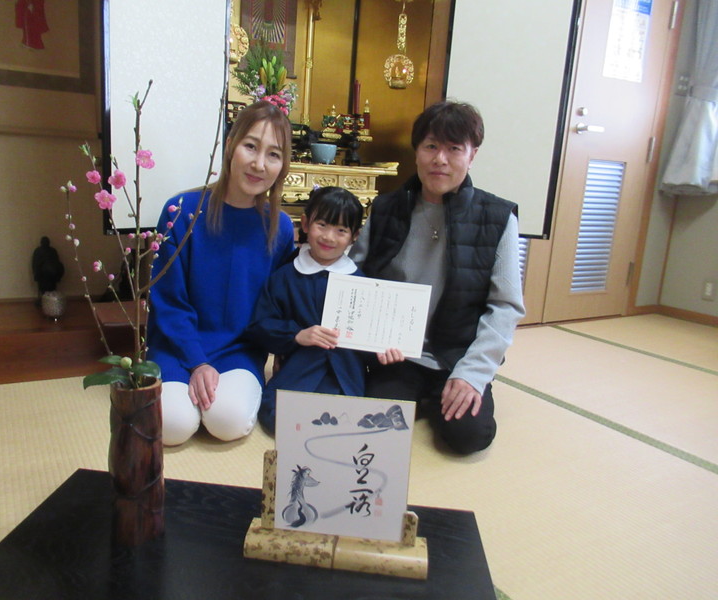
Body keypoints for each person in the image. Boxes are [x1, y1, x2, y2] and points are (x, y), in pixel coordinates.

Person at [348, 100, 525, 455]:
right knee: (374, 425)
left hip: (456, 354)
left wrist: (472, 373)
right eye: (430, 146)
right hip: (397, 355)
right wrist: (370, 337)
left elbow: (505, 307)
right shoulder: (386, 209)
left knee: (468, 437)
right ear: (417, 151)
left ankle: (445, 392)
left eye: (454, 148)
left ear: (472, 155)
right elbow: (356, 278)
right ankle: (424, 397)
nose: (439, 159)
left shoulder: (498, 217)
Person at [147, 101, 295, 446]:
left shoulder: (281, 228)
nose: (259, 164)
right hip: (175, 344)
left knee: (228, 422)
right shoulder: (180, 211)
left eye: (273, 154)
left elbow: (279, 306)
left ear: (283, 165)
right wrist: (197, 362)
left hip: (239, 350)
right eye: (251, 146)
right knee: (173, 426)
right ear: (230, 145)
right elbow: (167, 300)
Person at [247, 186, 404, 434]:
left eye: (341, 230)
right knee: (275, 415)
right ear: (306, 224)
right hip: (300, 366)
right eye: (322, 225)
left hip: (345, 371)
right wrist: (297, 335)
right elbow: (261, 324)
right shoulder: (285, 277)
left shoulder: (362, 283)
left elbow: (367, 341)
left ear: (354, 236)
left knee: (350, 419)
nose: (329, 237)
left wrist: (382, 350)